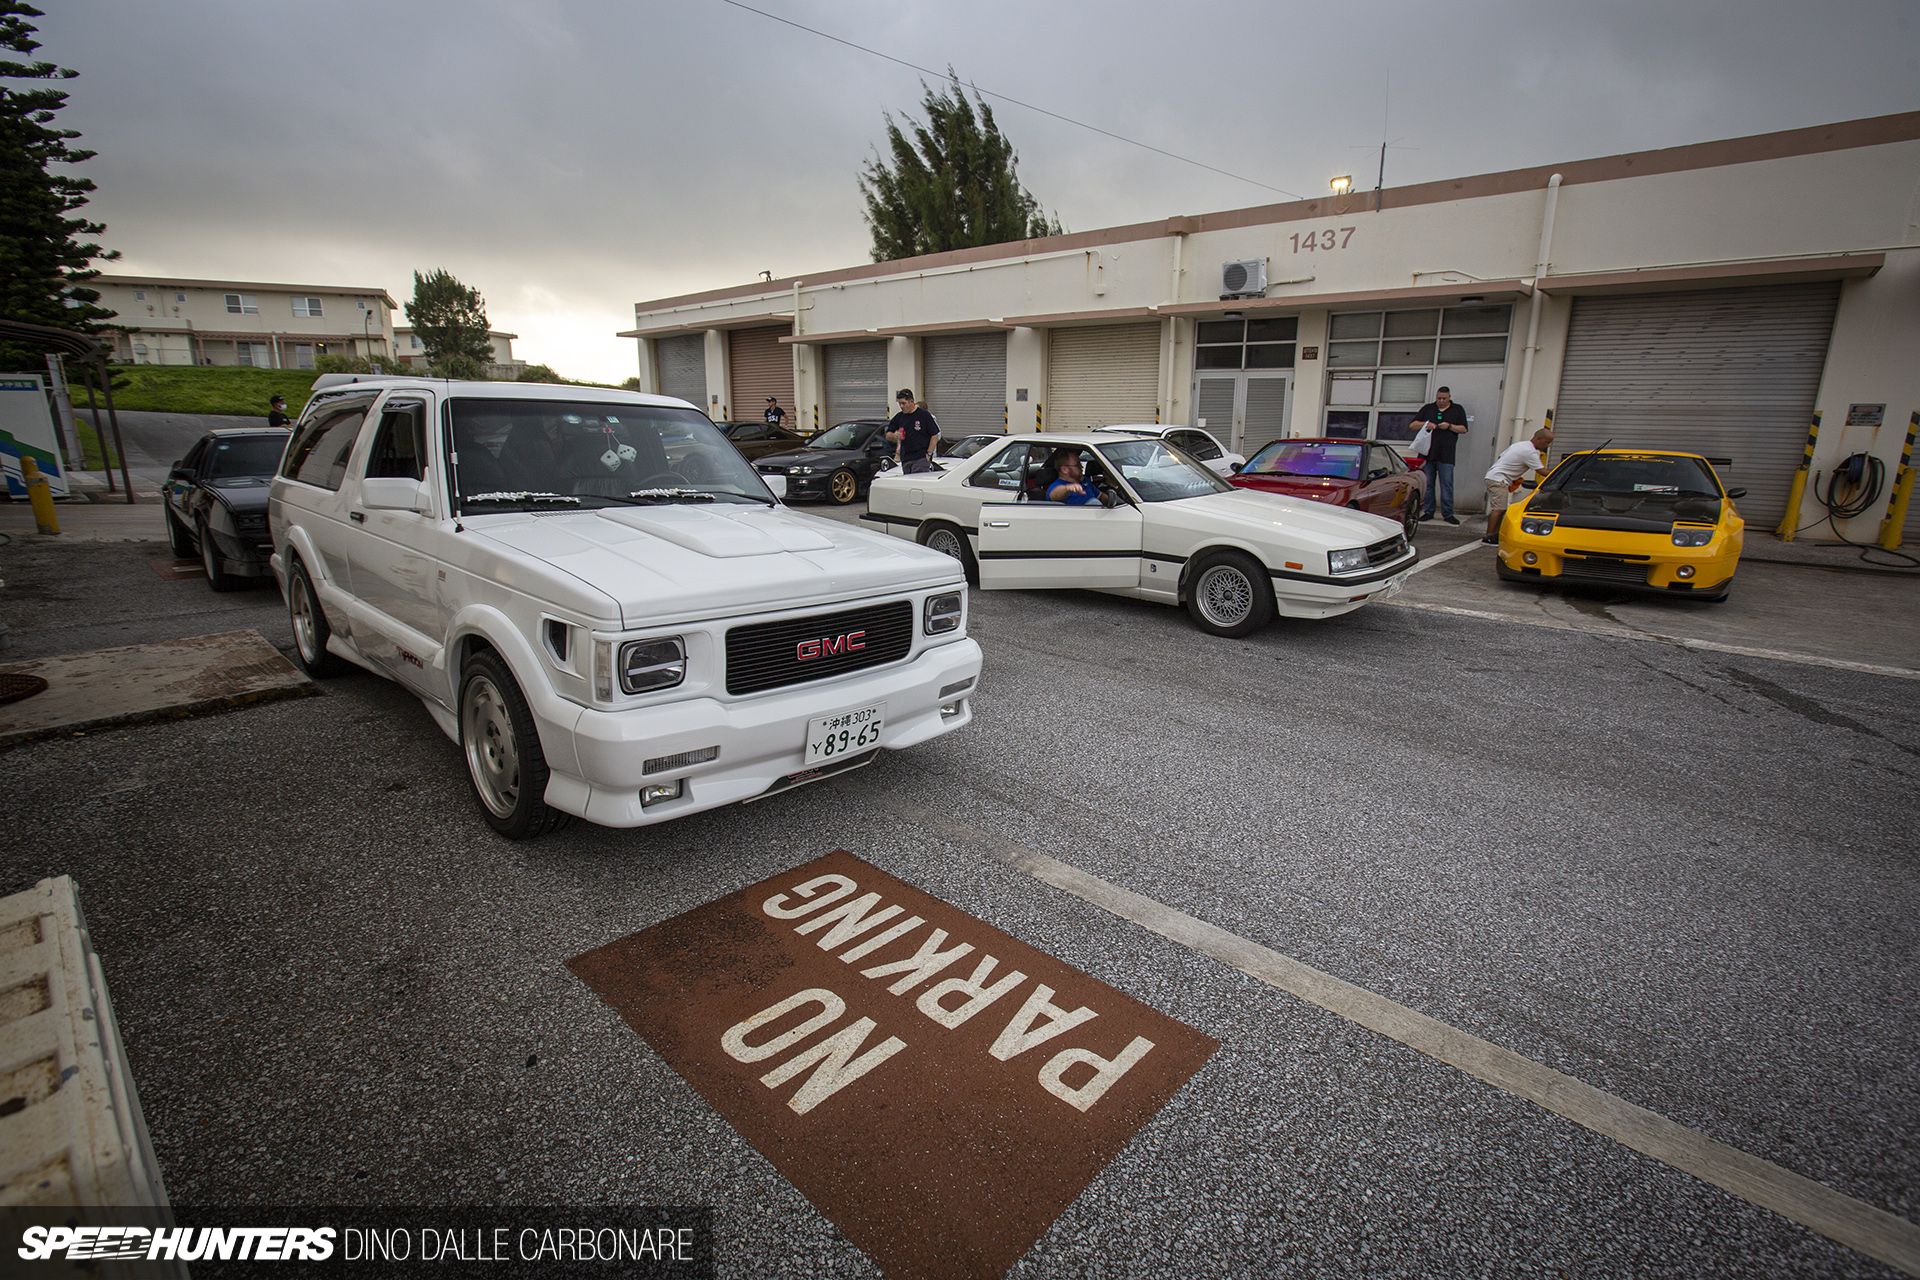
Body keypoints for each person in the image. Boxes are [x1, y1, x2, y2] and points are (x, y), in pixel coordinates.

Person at [1483, 427, 1554, 544]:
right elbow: (1541, 471)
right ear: (1539, 439)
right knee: (1499, 509)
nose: (1548, 446)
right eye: (1547, 442)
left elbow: (1501, 457)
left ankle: (1495, 534)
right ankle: (1489, 536)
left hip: (1495, 476)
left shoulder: (1520, 445)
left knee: (1501, 508)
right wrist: (1559, 472)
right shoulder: (1530, 452)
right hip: (1498, 479)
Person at [1414, 386, 1469, 523]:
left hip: (1446, 454)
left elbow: (1463, 429)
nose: (1441, 401)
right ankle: (1428, 511)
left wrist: (1450, 426)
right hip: (1427, 453)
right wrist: (1426, 425)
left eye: (1444, 398)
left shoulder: (1457, 409)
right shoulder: (1428, 408)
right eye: (1439, 398)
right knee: (1428, 484)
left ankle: (1448, 513)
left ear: (1449, 397)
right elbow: (1413, 425)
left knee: (1447, 484)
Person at [885, 388, 940, 475]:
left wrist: (929, 453)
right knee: (908, 485)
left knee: (917, 484)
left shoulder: (923, 414)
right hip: (906, 458)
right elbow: (888, 435)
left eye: (904, 403)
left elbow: (935, 435)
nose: (901, 406)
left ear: (911, 401)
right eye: (900, 404)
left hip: (920, 458)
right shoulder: (900, 417)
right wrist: (894, 435)